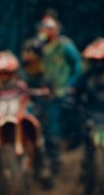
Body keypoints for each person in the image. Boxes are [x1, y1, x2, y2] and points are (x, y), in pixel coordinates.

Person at [65, 37, 104, 188]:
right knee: (86, 145)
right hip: (91, 117)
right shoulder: (86, 78)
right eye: (94, 61)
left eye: (101, 61)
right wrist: (70, 98)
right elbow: (73, 90)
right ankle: (86, 174)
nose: (97, 65)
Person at [35, 13, 81, 169]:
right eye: (44, 28)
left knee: (67, 120)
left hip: (64, 90)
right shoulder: (40, 47)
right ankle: (53, 159)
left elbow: (77, 65)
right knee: (48, 124)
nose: (46, 32)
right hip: (48, 92)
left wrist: (72, 84)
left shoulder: (65, 45)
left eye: (50, 29)